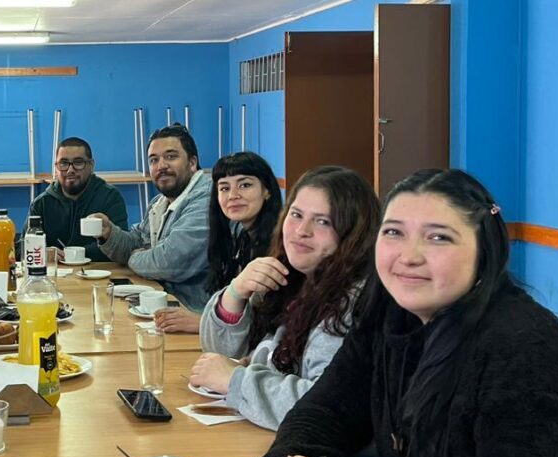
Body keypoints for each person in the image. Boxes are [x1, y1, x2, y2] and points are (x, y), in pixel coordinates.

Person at [256, 169, 558, 457]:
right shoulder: (388, 310)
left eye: (438, 237)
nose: (408, 256)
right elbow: (329, 407)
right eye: (394, 232)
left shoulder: (525, 351)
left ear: (484, 251)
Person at [192, 165, 379, 430]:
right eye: (296, 215)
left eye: (323, 221)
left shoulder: (350, 303)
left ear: (353, 234)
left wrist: (235, 380)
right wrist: (236, 292)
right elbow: (219, 353)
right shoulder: (291, 276)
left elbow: (324, 405)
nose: (302, 230)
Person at [157, 151, 283, 334]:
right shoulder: (242, 237)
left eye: (245, 185)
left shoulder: (280, 246)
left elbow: (271, 324)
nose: (233, 195)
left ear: (267, 190)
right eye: (224, 188)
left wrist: (202, 323)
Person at [92, 124, 212, 311]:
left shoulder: (208, 198)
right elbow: (137, 241)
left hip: (197, 316)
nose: (161, 166)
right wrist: (109, 234)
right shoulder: (160, 201)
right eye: (154, 160)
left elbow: (169, 263)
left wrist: (134, 258)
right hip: (163, 307)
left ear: (192, 162)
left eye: (171, 157)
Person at [29, 137, 128, 262]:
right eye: (63, 163)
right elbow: (20, 248)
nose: (70, 170)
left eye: (78, 162)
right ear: (56, 167)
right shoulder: (41, 203)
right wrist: (43, 252)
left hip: (101, 275)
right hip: (55, 276)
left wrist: (72, 254)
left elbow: (123, 247)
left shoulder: (110, 197)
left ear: (91, 165)